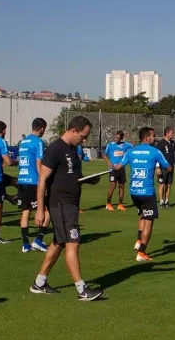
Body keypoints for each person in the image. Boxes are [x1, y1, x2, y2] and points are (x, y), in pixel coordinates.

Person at [29, 116, 103, 301]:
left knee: (58, 243)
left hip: (71, 202)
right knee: (73, 242)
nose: (84, 140)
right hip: (60, 203)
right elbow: (42, 180)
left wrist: (89, 179)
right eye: (83, 136)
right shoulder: (55, 149)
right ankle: (82, 290)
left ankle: (39, 283)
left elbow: (74, 175)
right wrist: (40, 209)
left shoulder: (73, 149)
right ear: (73, 131)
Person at [114, 127, 172, 262]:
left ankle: (138, 240)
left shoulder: (131, 151)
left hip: (134, 192)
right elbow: (168, 167)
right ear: (147, 137)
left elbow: (117, 167)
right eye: (153, 136)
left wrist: (112, 165)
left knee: (142, 215)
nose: (155, 138)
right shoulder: (155, 151)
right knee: (148, 221)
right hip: (147, 192)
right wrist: (160, 168)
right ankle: (141, 252)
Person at [16, 118, 50, 254]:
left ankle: (25, 244)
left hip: (22, 180)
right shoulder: (38, 142)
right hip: (34, 182)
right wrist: (44, 182)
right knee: (48, 212)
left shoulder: (22, 142)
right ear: (41, 128)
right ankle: (38, 240)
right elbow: (38, 163)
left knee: (25, 212)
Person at [103, 131, 132, 211]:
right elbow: (104, 155)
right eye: (116, 137)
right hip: (113, 169)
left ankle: (120, 204)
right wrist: (109, 163)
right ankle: (108, 203)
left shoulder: (126, 145)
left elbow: (133, 149)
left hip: (122, 169)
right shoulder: (110, 145)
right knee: (113, 185)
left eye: (118, 138)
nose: (117, 139)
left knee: (122, 186)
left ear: (122, 138)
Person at [155, 126, 175, 208]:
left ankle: (167, 201)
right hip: (162, 167)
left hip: (171, 167)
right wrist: (157, 167)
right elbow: (156, 156)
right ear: (167, 133)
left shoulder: (173, 143)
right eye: (172, 132)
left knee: (169, 185)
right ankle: (161, 202)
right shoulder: (160, 143)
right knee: (162, 184)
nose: (173, 134)